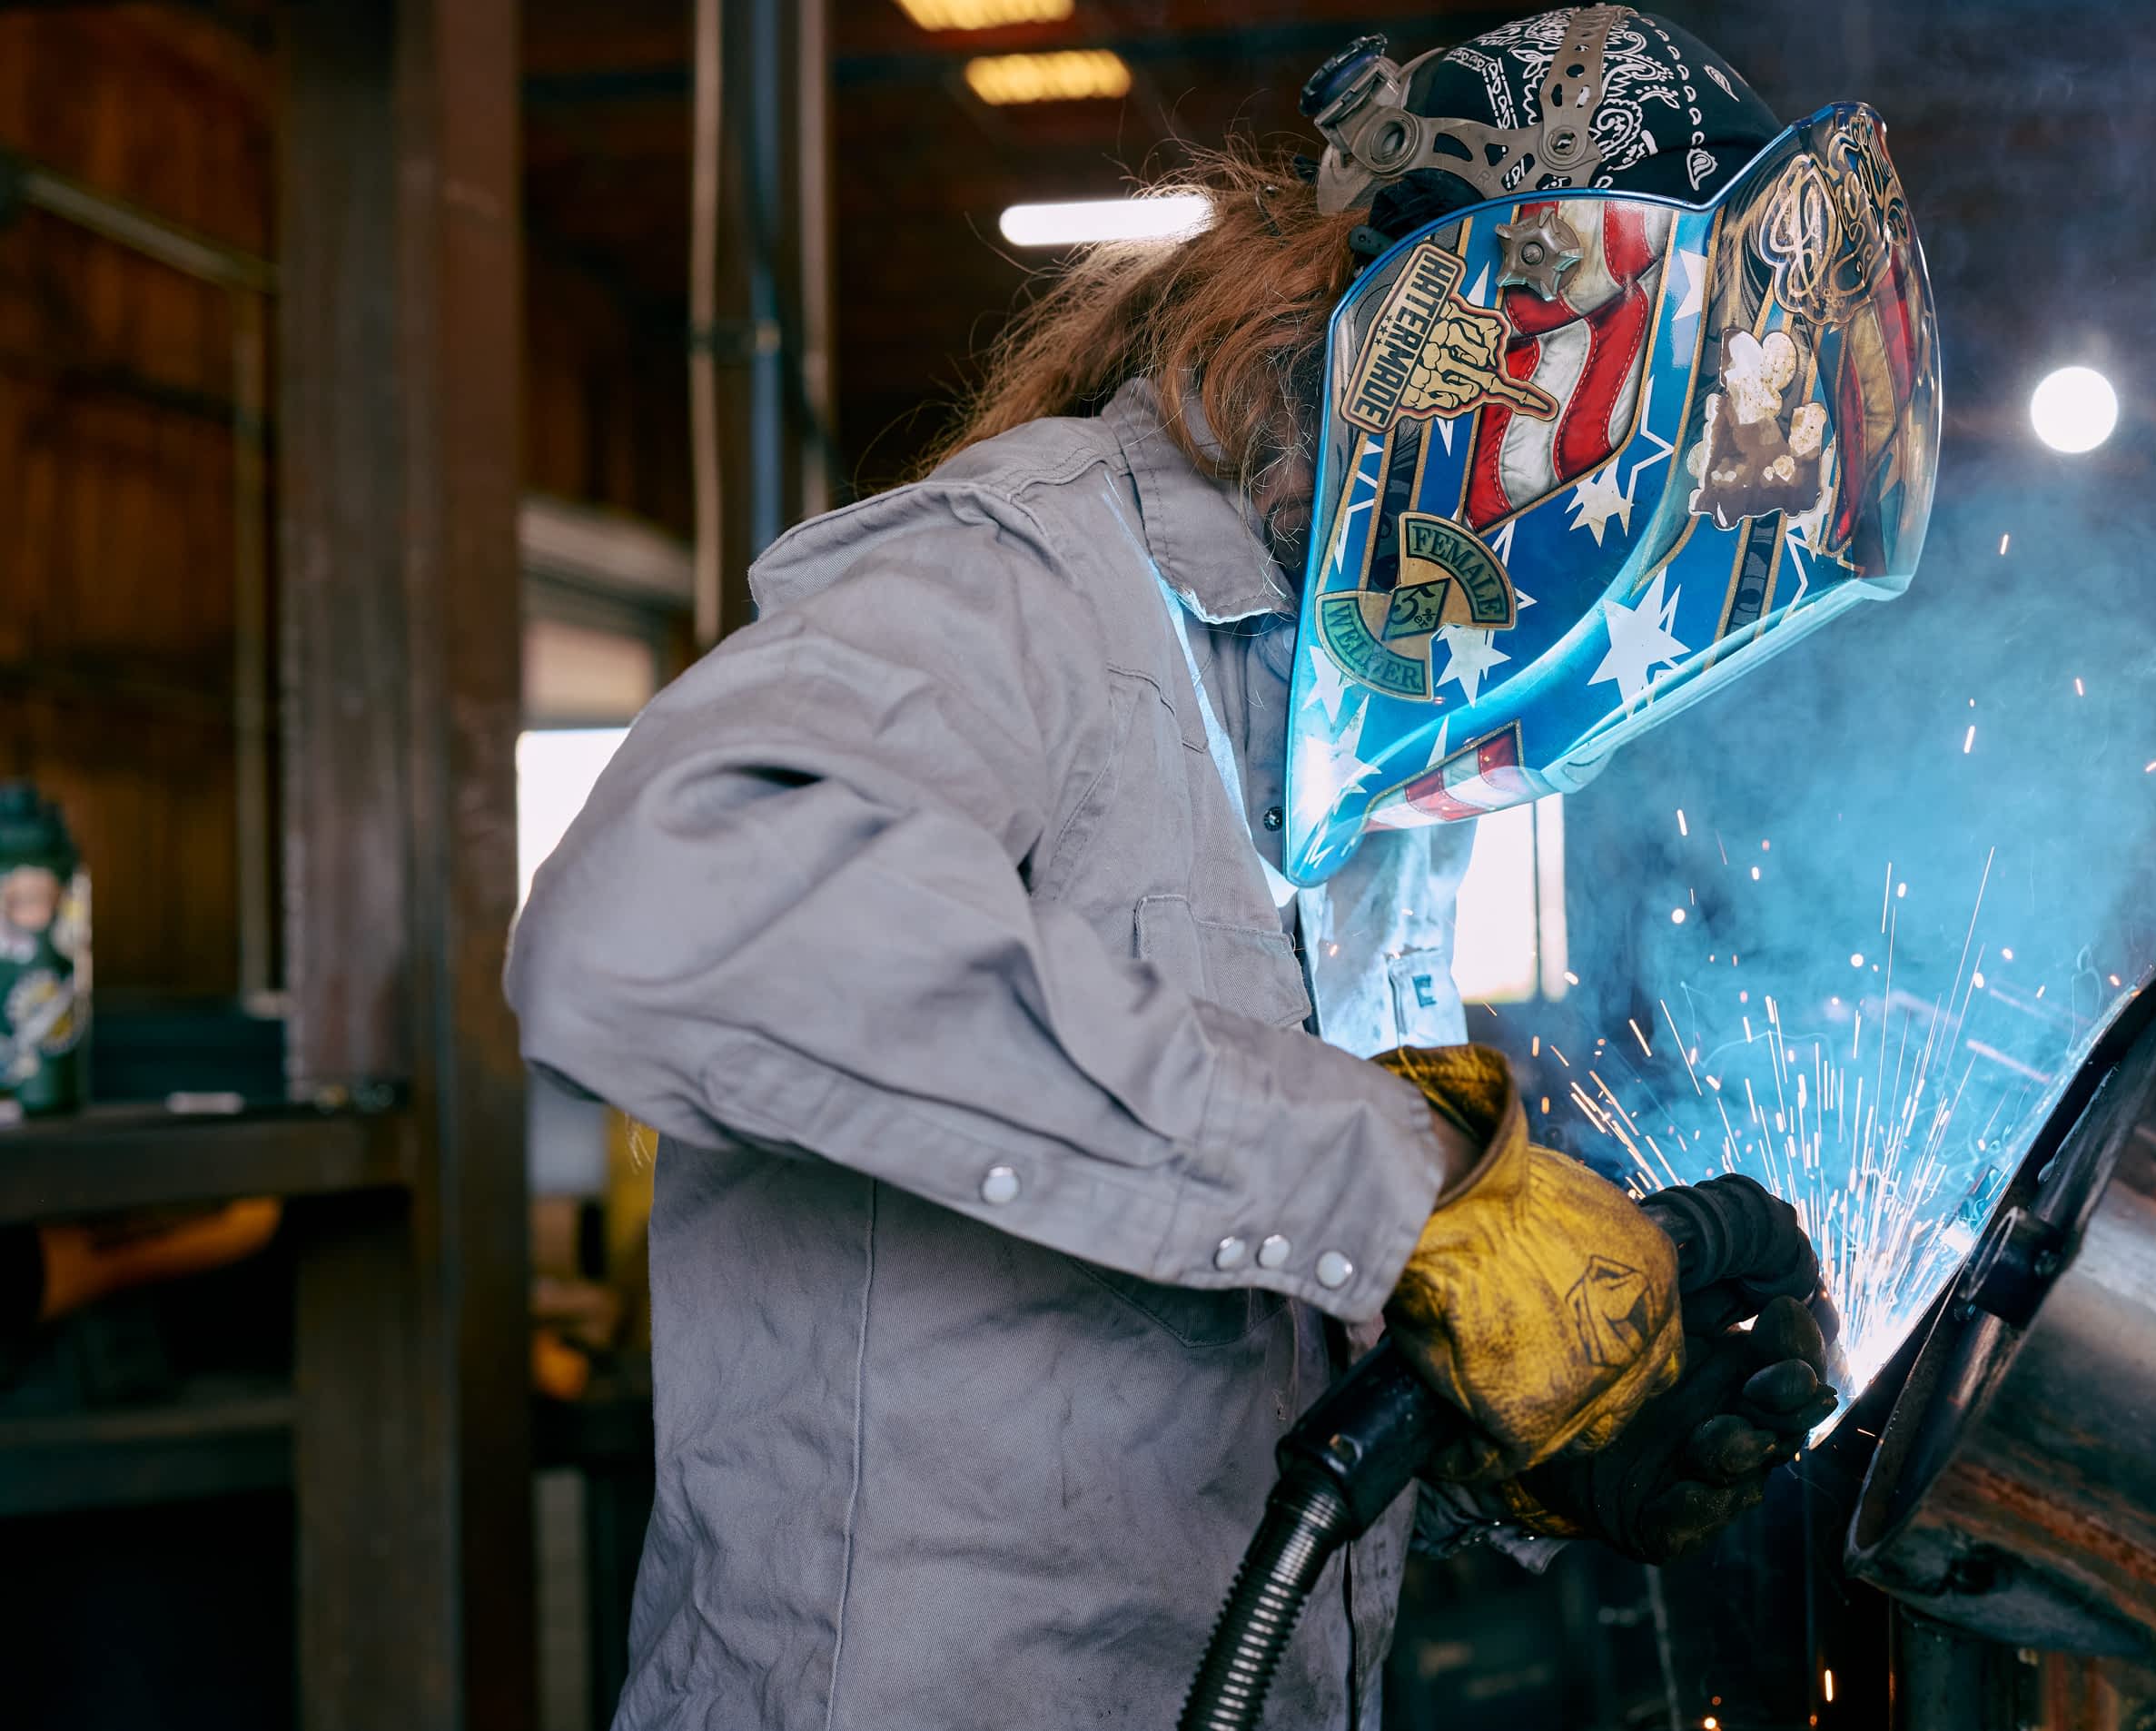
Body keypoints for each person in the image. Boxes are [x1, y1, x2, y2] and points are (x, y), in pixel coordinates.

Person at [507, 8, 1939, 1727]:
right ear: (1500, 347)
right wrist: (1392, 1185)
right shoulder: (1032, 584)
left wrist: (1521, 1424)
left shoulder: (1357, 749)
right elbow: (660, 912)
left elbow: (1234, 1266)